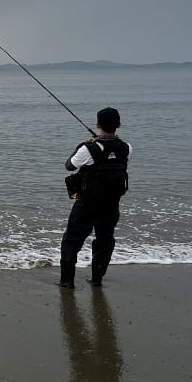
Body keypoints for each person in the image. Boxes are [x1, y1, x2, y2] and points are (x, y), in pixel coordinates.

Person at [58, 107, 131, 289]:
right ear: (119, 125)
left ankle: (67, 282)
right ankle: (97, 279)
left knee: (71, 240)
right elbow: (114, 160)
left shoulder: (88, 149)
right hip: (111, 204)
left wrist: (80, 146)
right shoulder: (126, 148)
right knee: (105, 240)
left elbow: (69, 166)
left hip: (87, 204)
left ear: (97, 124)